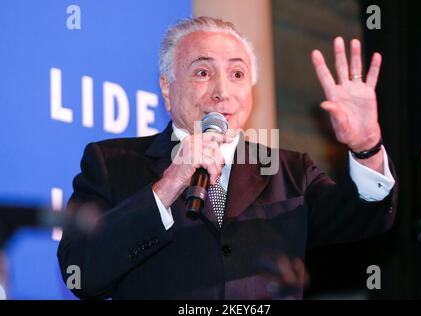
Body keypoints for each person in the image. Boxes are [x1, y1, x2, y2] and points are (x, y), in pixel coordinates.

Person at [57, 16, 397, 300]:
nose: (222, 91)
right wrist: (168, 186)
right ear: (166, 87)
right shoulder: (111, 161)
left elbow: (362, 219)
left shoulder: (292, 171)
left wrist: (366, 147)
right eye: (203, 72)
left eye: (237, 75)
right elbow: (81, 274)